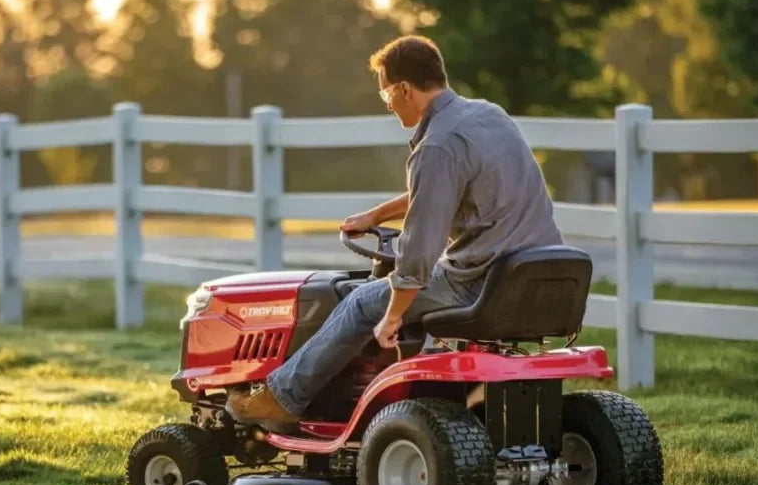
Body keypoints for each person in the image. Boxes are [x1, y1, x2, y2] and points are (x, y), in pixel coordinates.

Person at [226, 35, 564, 432]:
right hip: (539, 273)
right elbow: (443, 187)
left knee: (359, 302)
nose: (387, 105)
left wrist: (392, 316)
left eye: (385, 95)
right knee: (384, 298)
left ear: (404, 89)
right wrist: (377, 215)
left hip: (480, 283)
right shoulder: (490, 116)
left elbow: (419, 255)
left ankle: (282, 399)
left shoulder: (436, 145)